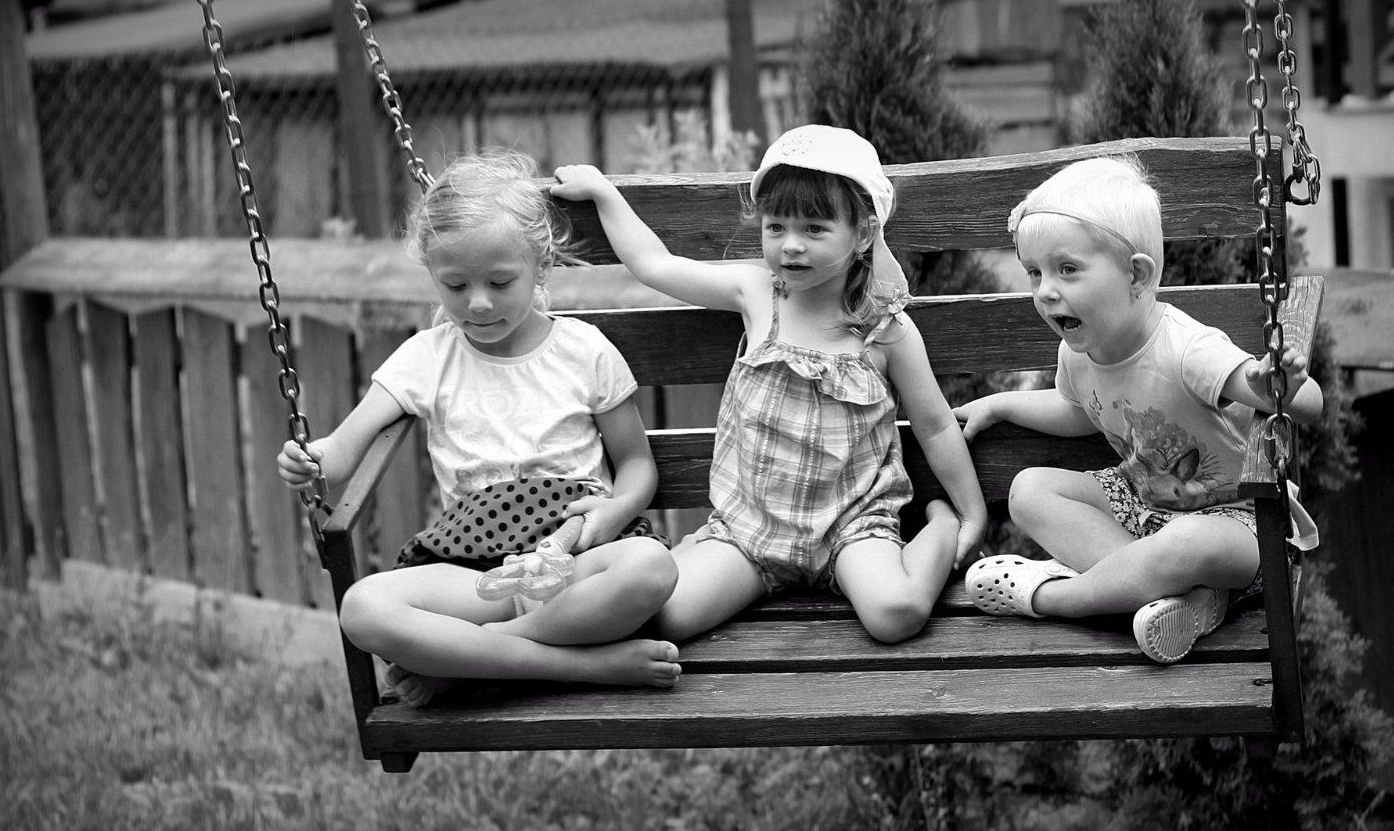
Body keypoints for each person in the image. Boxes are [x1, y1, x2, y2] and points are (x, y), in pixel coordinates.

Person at [552, 125, 988, 643]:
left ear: (864, 234)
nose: (791, 246)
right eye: (776, 226)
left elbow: (935, 425)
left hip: (850, 529)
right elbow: (655, 265)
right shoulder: (757, 294)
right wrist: (603, 192)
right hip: (749, 531)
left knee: (896, 614)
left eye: (815, 228)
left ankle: (937, 528)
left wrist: (970, 512)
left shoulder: (885, 330)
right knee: (669, 618)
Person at [277, 149, 680, 706]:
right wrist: (312, 459)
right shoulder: (426, 356)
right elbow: (342, 451)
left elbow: (635, 463)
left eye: (500, 281)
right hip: (473, 570)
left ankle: (477, 658)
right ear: (432, 276)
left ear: (541, 266)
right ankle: (579, 666)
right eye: (456, 285)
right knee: (363, 608)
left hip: (574, 561)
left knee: (651, 568)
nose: (480, 303)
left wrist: (617, 509)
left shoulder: (583, 350)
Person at [952, 156, 1320, 663]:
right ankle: (1179, 601)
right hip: (1144, 510)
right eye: (1034, 272)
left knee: (1186, 543)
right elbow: (1075, 409)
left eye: (1067, 269)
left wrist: (1280, 385)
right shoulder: (1077, 353)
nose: (1045, 291)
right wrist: (999, 405)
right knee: (1029, 490)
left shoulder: (1187, 350)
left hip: (1240, 527)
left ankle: (1055, 597)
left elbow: (1308, 405)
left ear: (1137, 276)